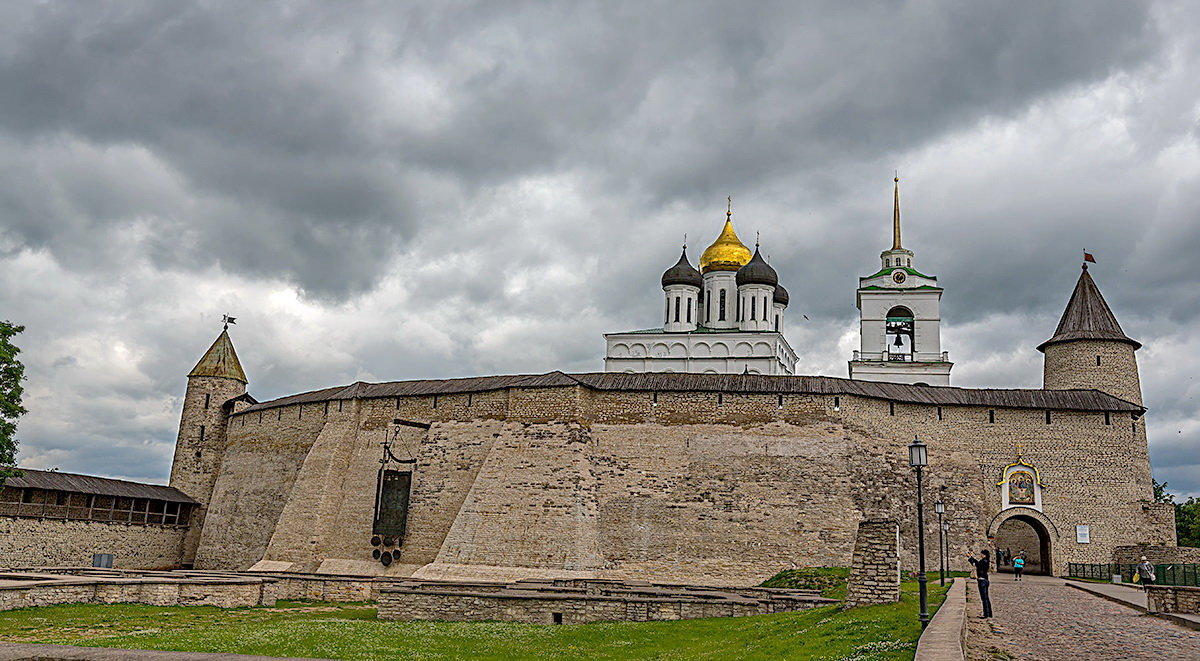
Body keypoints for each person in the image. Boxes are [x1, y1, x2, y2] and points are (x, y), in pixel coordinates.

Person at [968, 549, 993, 618]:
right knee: (986, 598)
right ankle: (989, 614)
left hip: (982, 581)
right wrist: (971, 557)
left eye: (981, 554)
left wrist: (970, 558)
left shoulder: (984, 561)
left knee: (984, 598)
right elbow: (977, 563)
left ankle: (986, 614)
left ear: (984, 555)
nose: (980, 555)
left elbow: (977, 564)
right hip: (985, 580)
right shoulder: (986, 561)